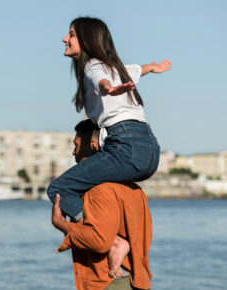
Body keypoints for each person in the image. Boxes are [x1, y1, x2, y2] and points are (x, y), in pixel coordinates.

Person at [47, 17, 171, 222]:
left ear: (87, 40)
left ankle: (103, 235)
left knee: (59, 189)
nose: (64, 39)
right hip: (150, 151)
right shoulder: (116, 68)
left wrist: (107, 88)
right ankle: (114, 225)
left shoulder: (92, 65)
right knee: (94, 185)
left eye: (71, 34)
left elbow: (100, 79)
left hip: (125, 147)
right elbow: (136, 70)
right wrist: (152, 67)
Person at [52, 119, 153, 290]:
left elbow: (100, 241)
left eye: (76, 146)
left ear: (93, 145)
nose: (73, 152)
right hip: (134, 280)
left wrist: (62, 224)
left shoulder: (98, 190)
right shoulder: (133, 189)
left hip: (110, 281)